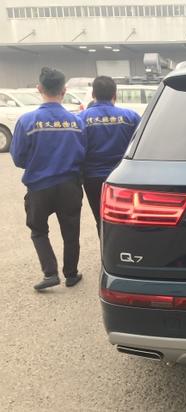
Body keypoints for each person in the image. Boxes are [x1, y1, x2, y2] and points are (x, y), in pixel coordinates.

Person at [10, 67, 86, 291]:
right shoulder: (77, 122)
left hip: (39, 186)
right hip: (69, 186)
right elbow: (83, 153)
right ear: (64, 90)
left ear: (39, 89)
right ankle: (71, 274)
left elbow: (18, 157)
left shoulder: (27, 121)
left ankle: (50, 273)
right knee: (71, 231)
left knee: (38, 230)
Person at [79, 76, 141, 231]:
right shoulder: (131, 117)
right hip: (124, 177)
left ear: (93, 94)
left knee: (101, 219)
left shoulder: (81, 119)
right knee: (129, 218)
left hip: (93, 178)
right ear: (115, 94)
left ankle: (105, 245)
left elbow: (77, 150)